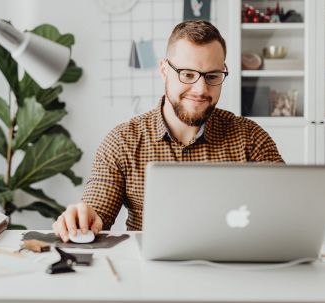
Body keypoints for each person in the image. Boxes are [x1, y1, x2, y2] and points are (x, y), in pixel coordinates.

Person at [53, 20, 284, 242]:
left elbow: (287, 210)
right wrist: (83, 218)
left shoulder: (251, 138)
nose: (200, 89)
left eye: (212, 76)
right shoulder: (123, 141)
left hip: (234, 270)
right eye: (188, 74)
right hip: (150, 276)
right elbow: (97, 212)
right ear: (164, 70)